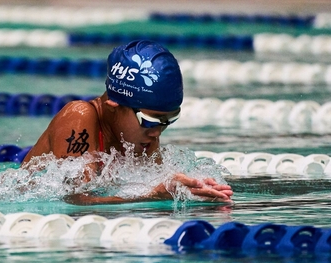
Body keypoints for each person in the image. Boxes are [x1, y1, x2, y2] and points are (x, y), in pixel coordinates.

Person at [22, 40, 233, 205]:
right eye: (150, 121)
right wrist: (153, 196)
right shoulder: (79, 117)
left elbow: (157, 187)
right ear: (115, 105)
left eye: (167, 121)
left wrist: (194, 188)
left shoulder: (142, 137)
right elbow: (77, 201)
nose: (157, 133)